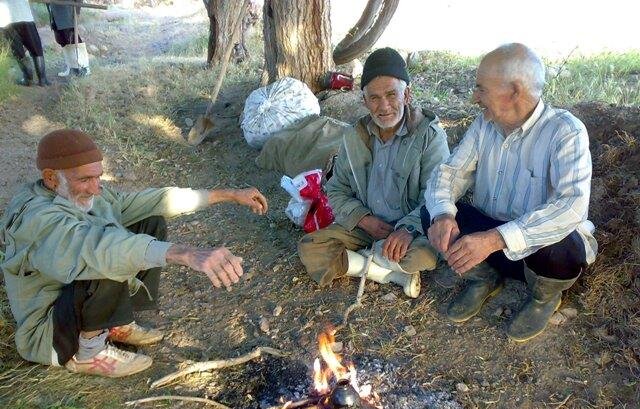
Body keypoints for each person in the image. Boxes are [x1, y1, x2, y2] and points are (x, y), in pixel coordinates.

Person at [0, 129, 268, 377]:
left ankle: (115, 322)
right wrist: (185, 253)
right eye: (85, 179)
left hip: (72, 296)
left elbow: (152, 202)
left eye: (98, 177)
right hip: (52, 332)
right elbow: (100, 249)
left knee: (150, 221)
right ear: (50, 177)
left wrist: (227, 194)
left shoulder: (78, 193)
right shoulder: (37, 219)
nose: (96, 188)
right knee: (110, 254)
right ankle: (87, 352)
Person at [423, 43, 597, 342]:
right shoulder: (484, 125)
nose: (475, 97)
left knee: (564, 244)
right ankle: (483, 278)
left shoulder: (566, 131)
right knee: (433, 210)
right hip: (486, 249)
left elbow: (571, 206)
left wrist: (495, 239)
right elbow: (450, 173)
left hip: (535, 256)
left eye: (481, 89)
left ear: (514, 91)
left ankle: (544, 299)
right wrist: (442, 214)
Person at [298, 47, 450, 298]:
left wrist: (408, 229)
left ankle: (361, 261)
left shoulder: (429, 137)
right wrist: (363, 219)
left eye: (392, 95)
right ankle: (387, 271)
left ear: (407, 95)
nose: (384, 106)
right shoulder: (354, 136)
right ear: (364, 100)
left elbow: (437, 195)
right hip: (364, 227)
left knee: (423, 256)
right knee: (311, 247)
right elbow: (336, 189)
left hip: (409, 231)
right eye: (375, 98)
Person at [0, 0, 50, 86]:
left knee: (18, 51)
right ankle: (42, 80)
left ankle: (28, 79)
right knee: (35, 47)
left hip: (7, 19)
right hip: (24, 16)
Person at [46, 3, 89, 77]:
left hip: (67, 14)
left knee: (72, 40)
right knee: (62, 41)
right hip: (54, 14)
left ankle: (84, 68)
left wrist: (77, 11)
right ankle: (71, 68)